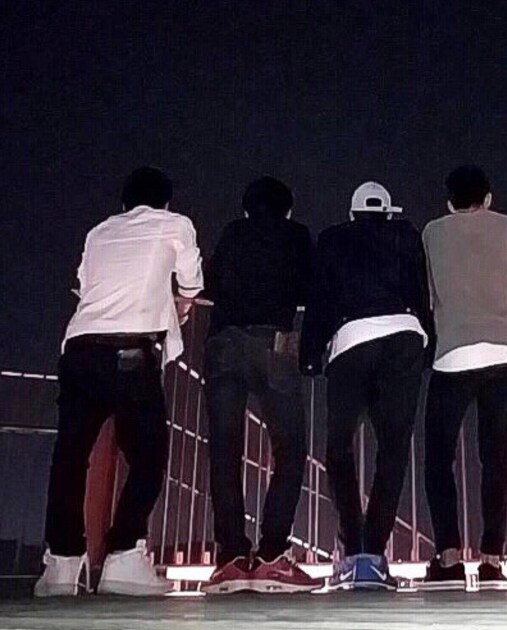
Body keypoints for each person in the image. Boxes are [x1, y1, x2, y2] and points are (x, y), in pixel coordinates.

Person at [34, 167, 204, 597]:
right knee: (148, 455)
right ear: (166, 202)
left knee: (70, 456)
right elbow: (191, 283)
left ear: (124, 202)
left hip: (79, 348)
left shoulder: (99, 232)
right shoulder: (175, 224)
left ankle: (61, 564)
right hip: (131, 353)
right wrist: (181, 309)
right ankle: (124, 556)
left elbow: (85, 285)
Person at [300, 182, 431, 591]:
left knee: (338, 447)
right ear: (388, 212)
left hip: (351, 341)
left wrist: (310, 353)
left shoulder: (332, 239)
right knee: (393, 449)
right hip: (405, 336)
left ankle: (352, 546)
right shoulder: (406, 235)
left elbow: (320, 299)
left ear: (353, 213)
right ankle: (374, 554)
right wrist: (427, 344)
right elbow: (421, 292)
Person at [202, 176, 322, 594]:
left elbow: (211, 282)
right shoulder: (296, 234)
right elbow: (312, 286)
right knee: (290, 449)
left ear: (246, 207)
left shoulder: (232, 232)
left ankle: (232, 558)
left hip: (223, 344)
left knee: (224, 450)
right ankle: (272, 555)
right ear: (288, 209)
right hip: (274, 343)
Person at [420, 165, 507, 591]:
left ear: (449, 202)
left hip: (453, 353)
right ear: (488, 198)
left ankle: (448, 558)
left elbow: (431, 292)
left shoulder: (432, 232)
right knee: (495, 456)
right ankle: (492, 561)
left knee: (438, 458)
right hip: (504, 349)